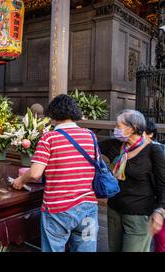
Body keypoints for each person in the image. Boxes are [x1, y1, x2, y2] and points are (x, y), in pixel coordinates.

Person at [12, 94, 99, 252]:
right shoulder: (90, 136)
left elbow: (35, 173)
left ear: (53, 114)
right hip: (88, 208)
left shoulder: (49, 138)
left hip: (59, 210)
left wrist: (19, 181)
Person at [99, 110, 165, 252]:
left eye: (119, 126)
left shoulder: (153, 150)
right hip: (114, 210)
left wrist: (160, 211)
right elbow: (88, 147)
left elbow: (163, 184)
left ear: (132, 128)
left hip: (139, 215)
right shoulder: (114, 145)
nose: (115, 130)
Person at [143, 120, 165, 252]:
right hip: (146, 199)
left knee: (161, 240)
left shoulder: (160, 150)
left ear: (150, 134)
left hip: (159, 199)